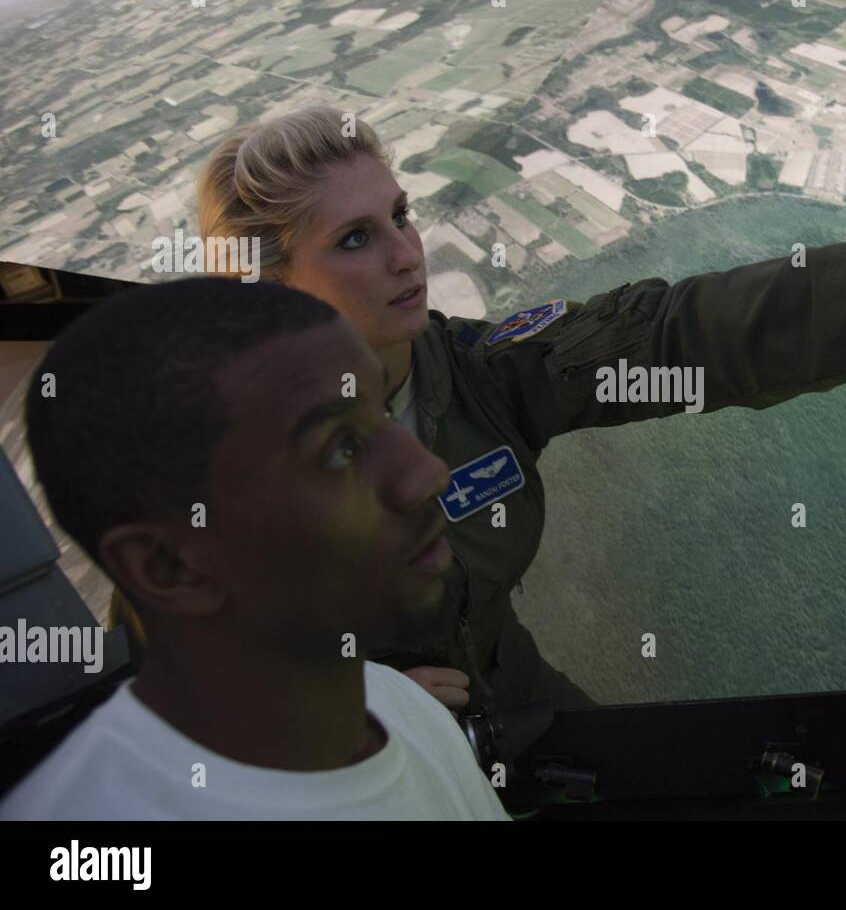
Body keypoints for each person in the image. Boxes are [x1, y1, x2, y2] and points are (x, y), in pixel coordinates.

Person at [183, 106, 846, 713]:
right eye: (355, 237)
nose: (406, 253)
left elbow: (665, 337)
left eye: (401, 214)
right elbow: (170, 675)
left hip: (504, 697)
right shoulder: (216, 472)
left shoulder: (468, 370)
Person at [0, 278, 510, 820]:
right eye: (341, 450)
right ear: (170, 567)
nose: (429, 472)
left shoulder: (397, 704)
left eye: (380, 413)